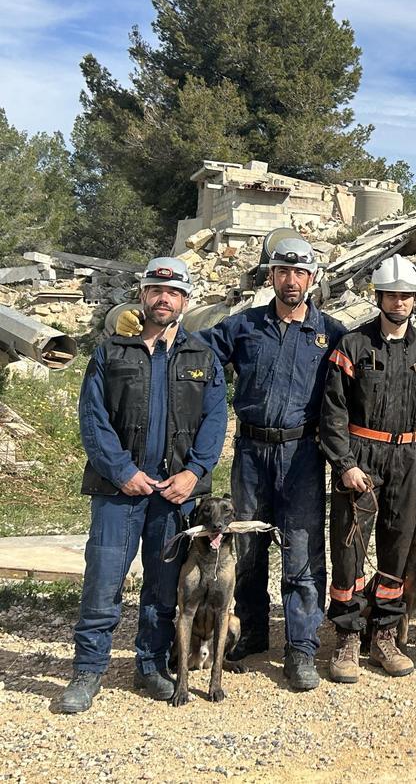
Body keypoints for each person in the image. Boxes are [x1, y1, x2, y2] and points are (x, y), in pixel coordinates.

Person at [57, 257, 227, 713]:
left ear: (185, 300)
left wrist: (193, 474)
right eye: (155, 290)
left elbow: (215, 420)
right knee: (103, 583)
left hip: (172, 495)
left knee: (161, 586)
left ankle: (150, 665)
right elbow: (93, 420)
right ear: (143, 296)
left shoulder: (201, 356)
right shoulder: (112, 352)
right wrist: (122, 471)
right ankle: (87, 672)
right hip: (119, 490)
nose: (163, 298)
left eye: (172, 293)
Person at [195, 236, 346, 690]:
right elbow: (195, 352)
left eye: (300, 273)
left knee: (301, 551)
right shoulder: (244, 326)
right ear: (272, 277)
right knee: (247, 548)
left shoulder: (332, 335)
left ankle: (301, 648)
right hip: (250, 454)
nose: (291, 280)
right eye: (283, 271)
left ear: (312, 279)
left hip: (301, 454)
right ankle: (254, 633)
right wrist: (150, 329)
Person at [320, 255, 416, 684]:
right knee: (349, 548)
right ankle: (347, 637)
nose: (400, 302)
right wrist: (344, 464)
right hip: (363, 456)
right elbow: (333, 412)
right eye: (392, 295)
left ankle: (385, 633)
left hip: (410, 460)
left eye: (407, 296)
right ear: (379, 297)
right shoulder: (353, 346)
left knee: (397, 548)